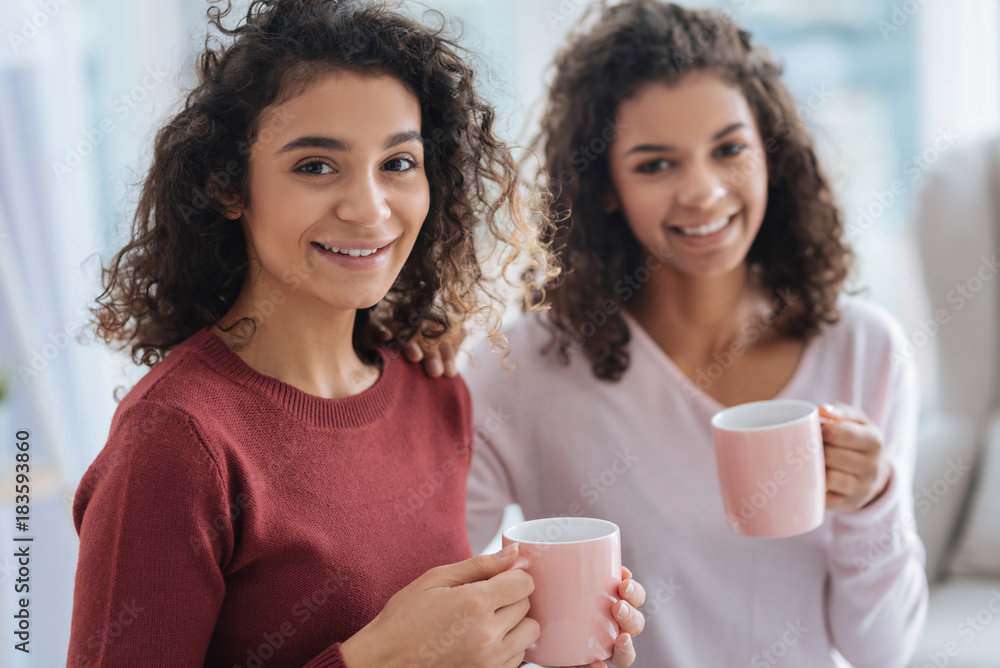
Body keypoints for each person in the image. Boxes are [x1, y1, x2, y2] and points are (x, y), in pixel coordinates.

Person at [67, 1, 644, 666]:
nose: (369, 208)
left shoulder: (435, 394)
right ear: (229, 187)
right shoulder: (175, 441)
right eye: (316, 165)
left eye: (398, 163)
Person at [414, 2, 927, 666]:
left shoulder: (866, 350)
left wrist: (875, 502)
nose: (705, 193)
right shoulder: (523, 369)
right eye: (656, 165)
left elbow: (883, 651)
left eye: (730, 149)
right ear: (605, 187)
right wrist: (396, 382)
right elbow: (432, 595)